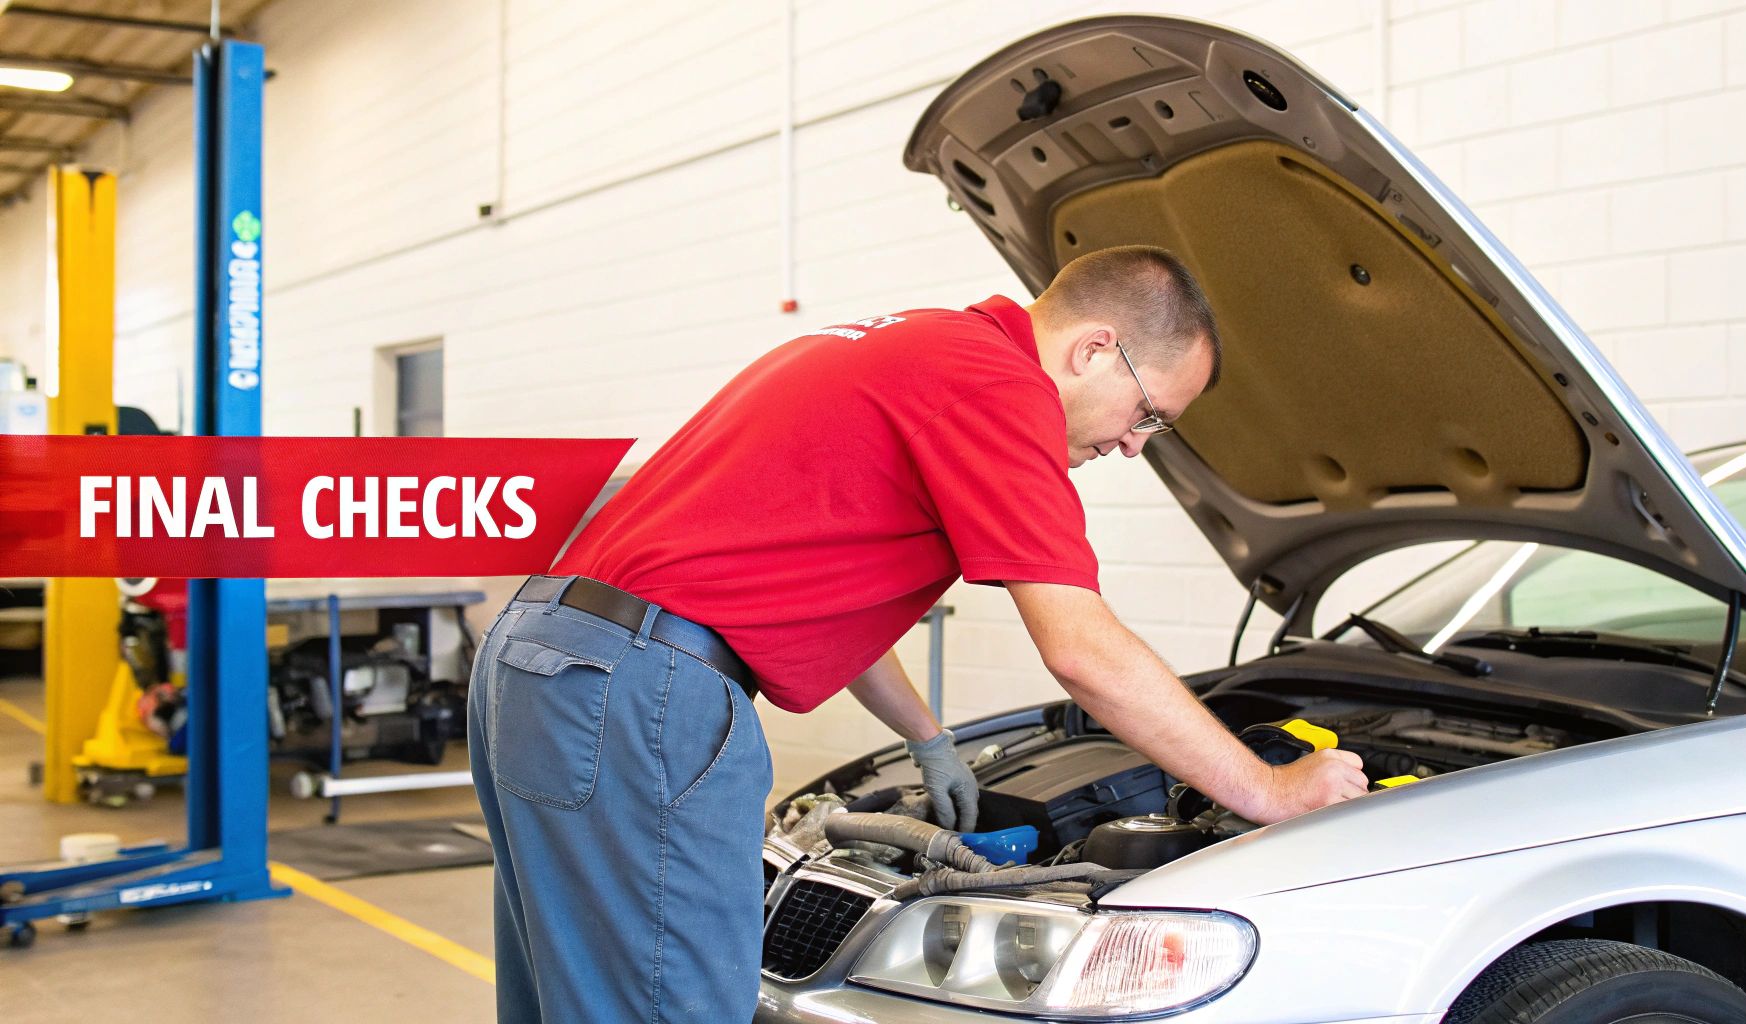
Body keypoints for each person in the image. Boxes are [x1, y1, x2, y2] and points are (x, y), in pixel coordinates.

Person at [467, 244, 1367, 1022]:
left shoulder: (924, 345)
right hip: (640, 690)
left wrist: (927, 736)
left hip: (543, 659)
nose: (1137, 445)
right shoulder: (999, 388)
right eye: (1150, 414)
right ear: (1096, 349)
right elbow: (1080, 648)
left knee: (569, 996)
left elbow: (803, 581)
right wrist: (1270, 790)